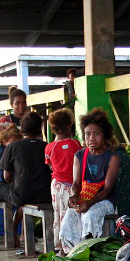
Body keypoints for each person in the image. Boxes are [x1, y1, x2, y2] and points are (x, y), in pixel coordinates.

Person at [59, 108, 120, 252]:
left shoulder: (112, 158)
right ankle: (72, 253)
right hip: (84, 199)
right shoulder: (79, 156)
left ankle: (90, 252)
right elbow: (76, 184)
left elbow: (108, 189)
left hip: (105, 201)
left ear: (105, 135)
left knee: (90, 216)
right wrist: (74, 196)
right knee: (68, 219)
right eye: (87, 134)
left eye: (96, 133)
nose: (91, 138)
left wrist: (90, 202)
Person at [0, 113, 52, 250]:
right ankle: (17, 230)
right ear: (40, 128)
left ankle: (9, 233)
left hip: (21, 194)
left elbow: (7, 177)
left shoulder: (13, 146)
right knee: (25, 197)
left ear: (22, 129)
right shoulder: (47, 146)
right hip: (45, 194)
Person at [45, 108, 80, 252]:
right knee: (72, 216)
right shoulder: (76, 144)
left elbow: (51, 167)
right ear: (68, 126)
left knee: (58, 215)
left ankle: (59, 246)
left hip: (57, 186)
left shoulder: (49, 148)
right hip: (73, 187)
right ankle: (72, 246)